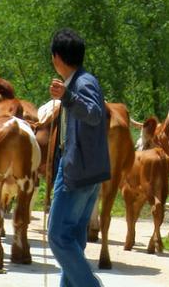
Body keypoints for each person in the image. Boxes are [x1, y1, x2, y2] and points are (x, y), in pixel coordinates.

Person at [47, 28, 111, 287]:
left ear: (57, 58)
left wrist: (67, 97)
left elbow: (94, 114)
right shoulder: (79, 81)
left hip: (77, 170)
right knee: (73, 238)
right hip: (87, 169)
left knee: (58, 237)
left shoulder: (82, 84)